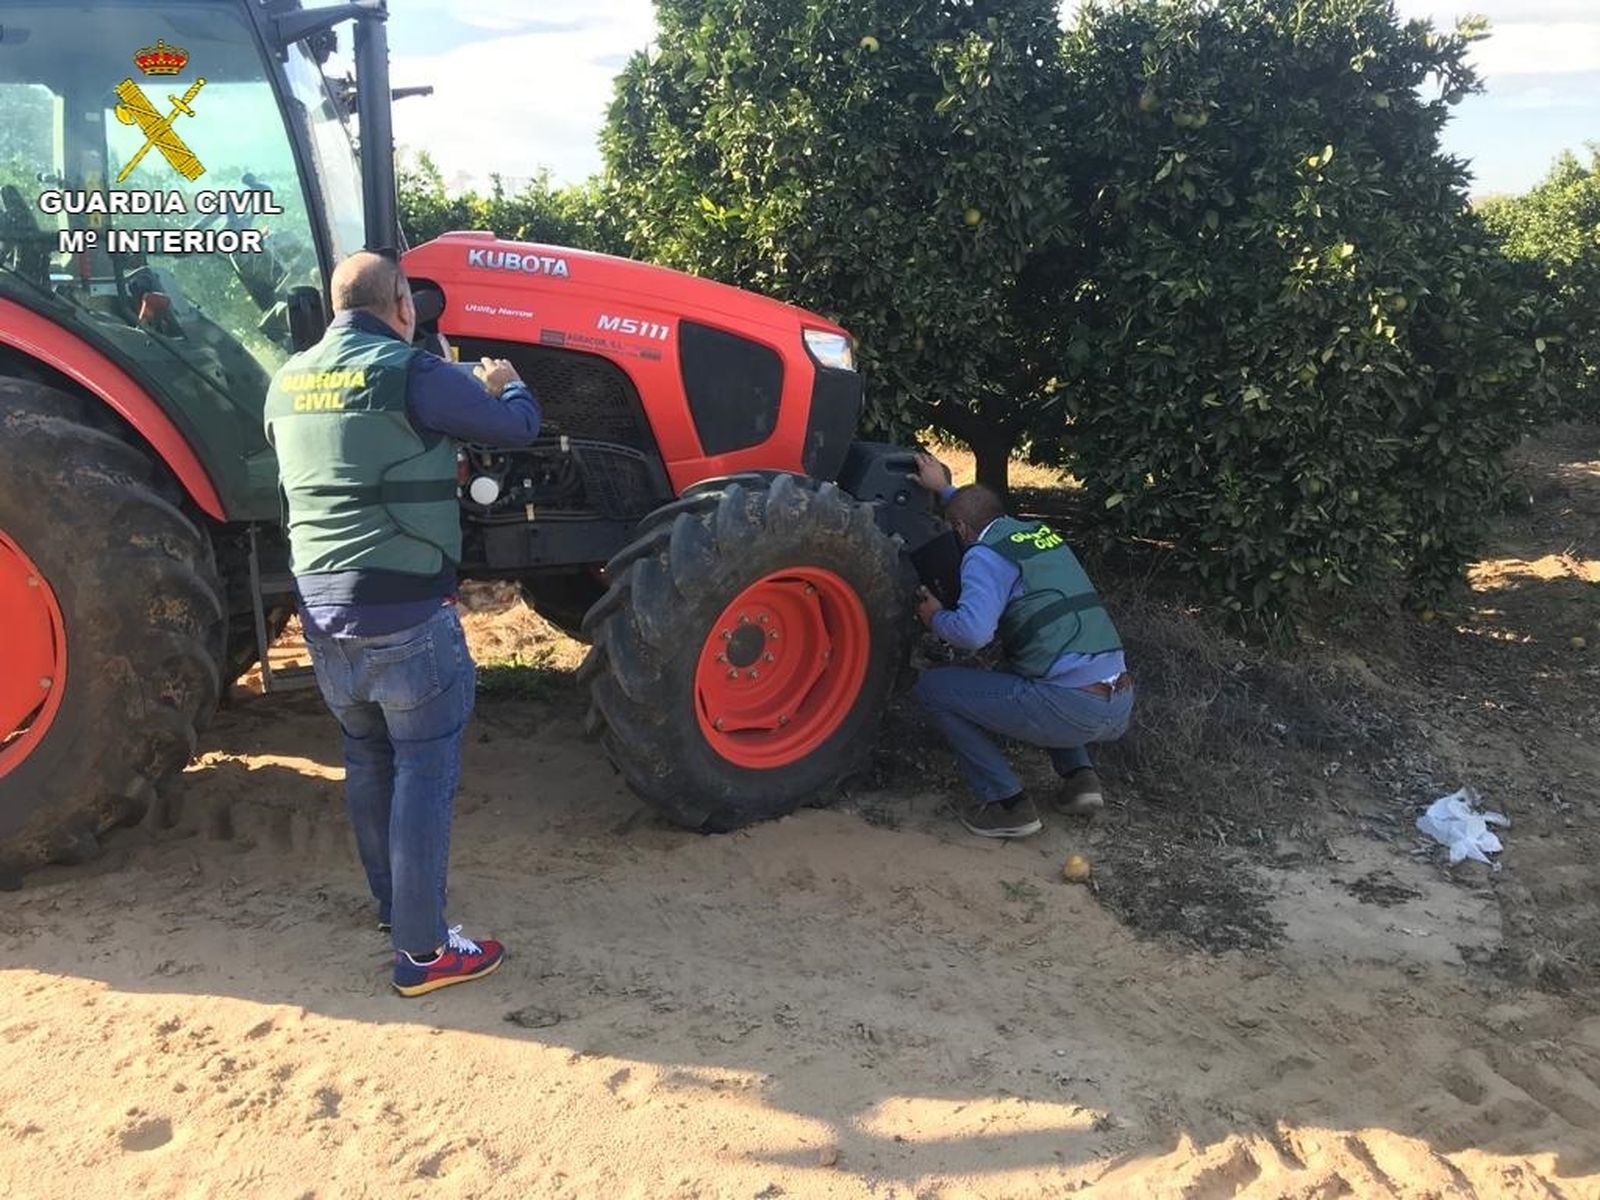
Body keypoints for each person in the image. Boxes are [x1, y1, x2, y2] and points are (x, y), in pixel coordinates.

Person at [264, 251, 541, 995]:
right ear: (404, 307)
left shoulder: (286, 380)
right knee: (423, 765)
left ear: (333, 307)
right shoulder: (413, 372)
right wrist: (507, 381)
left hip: (323, 618)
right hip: (407, 613)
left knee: (367, 757)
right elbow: (516, 429)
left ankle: (396, 909)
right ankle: (423, 953)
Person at [909, 453, 1133, 838]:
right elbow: (975, 511)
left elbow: (973, 633)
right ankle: (1080, 779)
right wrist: (944, 489)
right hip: (1119, 699)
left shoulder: (983, 555)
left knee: (934, 689)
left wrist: (935, 617)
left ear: (960, 528)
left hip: (1072, 707)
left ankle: (1008, 805)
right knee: (1017, 670)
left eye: (954, 528)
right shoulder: (1037, 534)